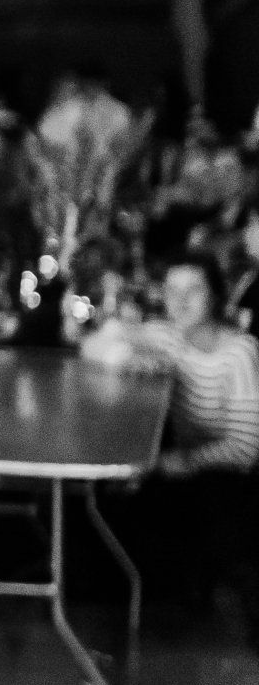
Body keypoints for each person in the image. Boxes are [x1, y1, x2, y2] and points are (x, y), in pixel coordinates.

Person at [83, 253, 259, 627]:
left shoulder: (239, 352)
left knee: (120, 506)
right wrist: (125, 354)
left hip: (234, 477)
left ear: (215, 296)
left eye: (193, 290)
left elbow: (247, 447)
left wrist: (181, 462)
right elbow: (95, 341)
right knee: (112, 499)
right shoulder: (168, 336)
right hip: (188, 463)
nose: (180, 301)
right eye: (172, 290)